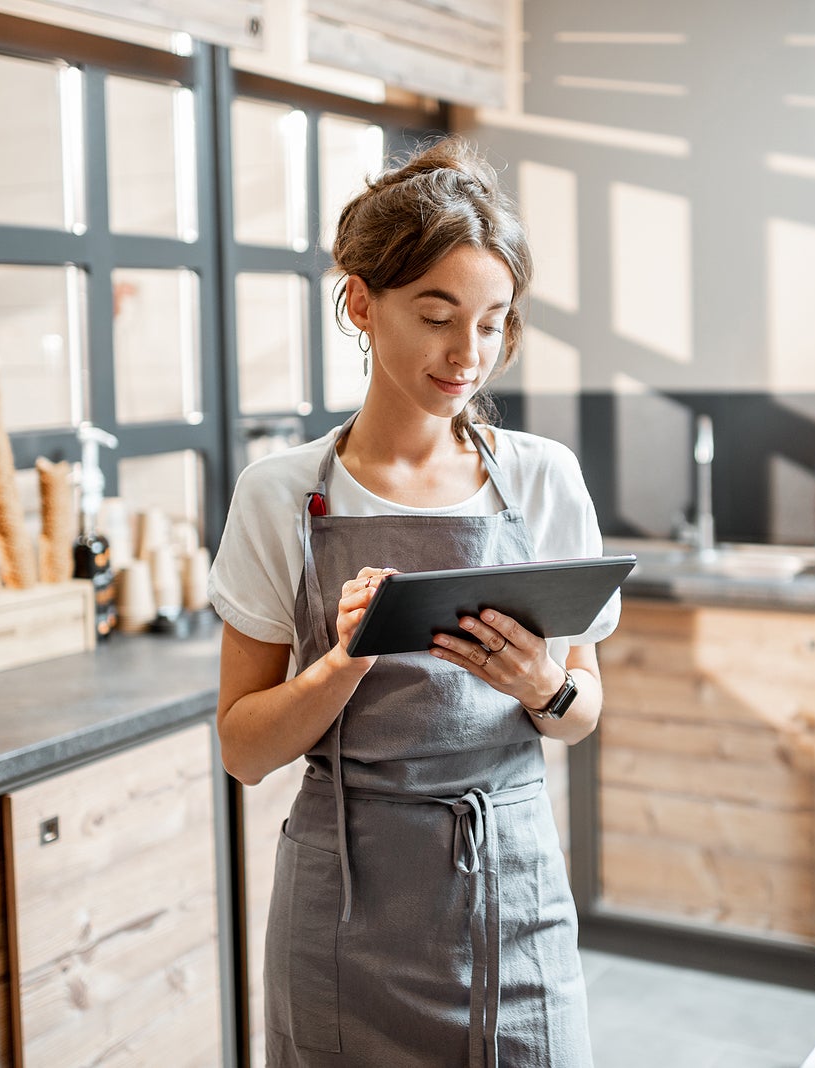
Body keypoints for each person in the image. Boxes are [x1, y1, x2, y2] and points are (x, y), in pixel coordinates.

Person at [208, 135, 617, 1068]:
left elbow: (581, 711)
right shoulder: (284, 494)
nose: (466, 353)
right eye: (437, 316)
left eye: (491, 320)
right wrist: (345, 660)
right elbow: (243, 748)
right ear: (361, 301)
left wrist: (541, 683)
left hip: (509, 887)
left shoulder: (542, 480)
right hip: (342, 909)